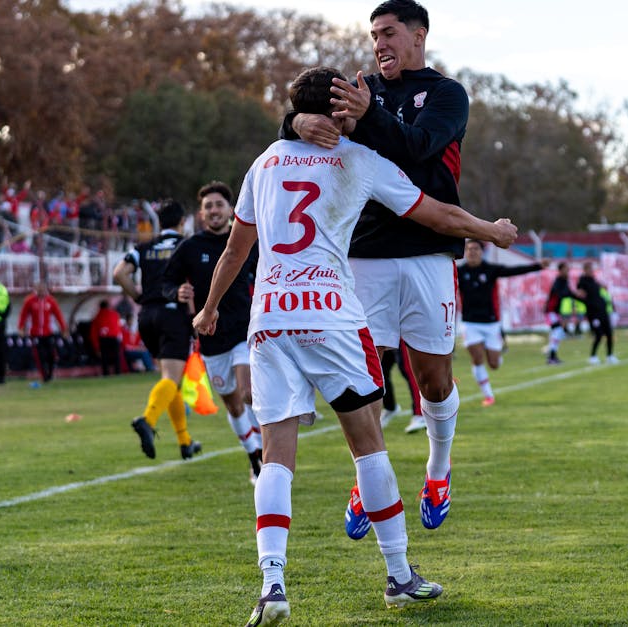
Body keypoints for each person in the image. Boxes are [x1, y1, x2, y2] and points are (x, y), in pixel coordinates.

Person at [193, 65, 516, 624]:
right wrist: (489, 231)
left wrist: (210, 308)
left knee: (276, 459)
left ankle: (273, 585)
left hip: (268, 321)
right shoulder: (359, 160)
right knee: (368, 446)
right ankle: (398, 575)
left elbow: (234, 252)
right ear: (336, 112)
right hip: (331, 317)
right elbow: (435, 213)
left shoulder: (263, 163)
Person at [285, 0, 469, 534]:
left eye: (388, 33)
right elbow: (296, 118)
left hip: (429, 252)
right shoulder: (359, 85)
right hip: (364, 254)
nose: (379, 44)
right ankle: (370, 475)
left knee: (433, 381)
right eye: (373, 36)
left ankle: (438, 469)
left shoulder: (446, 94)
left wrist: (370, 115)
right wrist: (297, 118)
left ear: (419, 35)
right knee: (363, 376)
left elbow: (418, 149)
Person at [160, 181, 263, 483]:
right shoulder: (190, 247)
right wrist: (175, 292)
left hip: (244, 329)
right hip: (210, 336)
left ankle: (266, 459)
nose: (214, 210)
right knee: (232, 403)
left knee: (248, 393)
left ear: (231, 210)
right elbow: (166, 283)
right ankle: (253, 455)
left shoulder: (247, 241)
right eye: (208, 207)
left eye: (219, 205)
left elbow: (266, 271)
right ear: (201, 214)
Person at [113, 199, 202, 460]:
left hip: (147, 317)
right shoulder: (186, 244)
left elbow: (119, 273)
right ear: (182, 222)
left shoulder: (145, 246)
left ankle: (185, 442)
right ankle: (147, 421)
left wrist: (139, 297)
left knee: (171, 381)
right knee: (171, 379)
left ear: (159, 223)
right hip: (173, 314)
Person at [457, 239, 546, 405]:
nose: (472, 252)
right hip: (470, 323)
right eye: (469, 249)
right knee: (477, 359)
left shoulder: (490, 270)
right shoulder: (459, 272)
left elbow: (515, 270)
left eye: (475, 248)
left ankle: (495, 353)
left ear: (482, 252)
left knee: (494, 364)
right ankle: (488, 396)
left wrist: (538, 266)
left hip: (491, 324)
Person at [17, 282, 68, 383]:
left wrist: (63, 329)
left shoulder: (51, 301)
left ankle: (50, 372)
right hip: (35, 333)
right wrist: (21, 328)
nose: (41, 292)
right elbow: (23, 315)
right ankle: (44, 376)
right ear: (36, 290)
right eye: (39, 290)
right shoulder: (30, 301)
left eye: (43, 290)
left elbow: (58, 315)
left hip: (48, 332)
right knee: (39, 356)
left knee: (51, 355)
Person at [575, 262, 616, 365]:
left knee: (609, 334)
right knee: (598, 335)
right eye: (589, 269)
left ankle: (609, 356)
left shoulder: (594, 280)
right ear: (585, 270)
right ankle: (593, 356)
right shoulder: (582, 281)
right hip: (593, 313)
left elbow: (600, 289)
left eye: (592, 269)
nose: (591, 271)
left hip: (602, 311)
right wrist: (586, 301)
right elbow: (579, 294)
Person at [543, 262, 575, 365]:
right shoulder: (558, 281)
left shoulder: (564, 281)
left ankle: (552, 355)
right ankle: (551, 356)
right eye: (566, 269)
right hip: (550, 311)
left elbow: (568, 293)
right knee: (558, 331)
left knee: (558, 332)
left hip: (555, 312)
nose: (568, 271)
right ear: (560, 270)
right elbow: (561, 293)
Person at [90, 300, 124, 376]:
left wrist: (96, 347)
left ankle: (106, 373)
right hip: (114, 338)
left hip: (104, 339)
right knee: (116, 357)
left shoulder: (97, 316)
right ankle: (118, 373)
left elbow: (93, 333)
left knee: (104, 358)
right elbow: (119, 328)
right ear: (108, 306)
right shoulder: (115, 314)